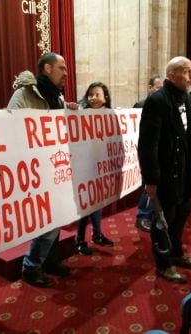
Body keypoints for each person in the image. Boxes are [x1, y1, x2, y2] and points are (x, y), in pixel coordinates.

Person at [138, 56, 191, 283]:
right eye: (186, 71)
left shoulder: (187, 99)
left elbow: (188, 135)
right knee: (163, 220)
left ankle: (177, 252)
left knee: (182, 214)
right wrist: (151, 180)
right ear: (171, 75)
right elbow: (147, 145)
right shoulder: (157, 101)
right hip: (164, 176)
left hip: (184, 172)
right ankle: (163, 264)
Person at [7, 52, 75, 287]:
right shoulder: (24, 95)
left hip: (56, 166)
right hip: (34, 169)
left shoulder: (58, 97)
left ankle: (50, 261)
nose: (66, 73)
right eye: (62, 68)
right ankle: (31, 266)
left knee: (58, 217)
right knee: (46, 222)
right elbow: (10, 128)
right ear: (47, 69)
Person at [76, 82, 114, 255]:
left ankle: (97, 234)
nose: (92, 98)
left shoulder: (110, 115)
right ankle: (80, 240)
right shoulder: (80, 113)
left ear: (105, 97)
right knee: (85, 208)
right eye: (90, 94)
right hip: (84, 168)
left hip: (100, 167)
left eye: (96, 94)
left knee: (97, 204)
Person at [134, 75, 163, 232]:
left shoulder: (164, 105)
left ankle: (153, 213)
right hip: (147, 151)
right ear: (150, 87)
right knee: (148, 184)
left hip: (159, 150)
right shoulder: (140, 105)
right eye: (158, 87)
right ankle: (142, 216)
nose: (161, 91)